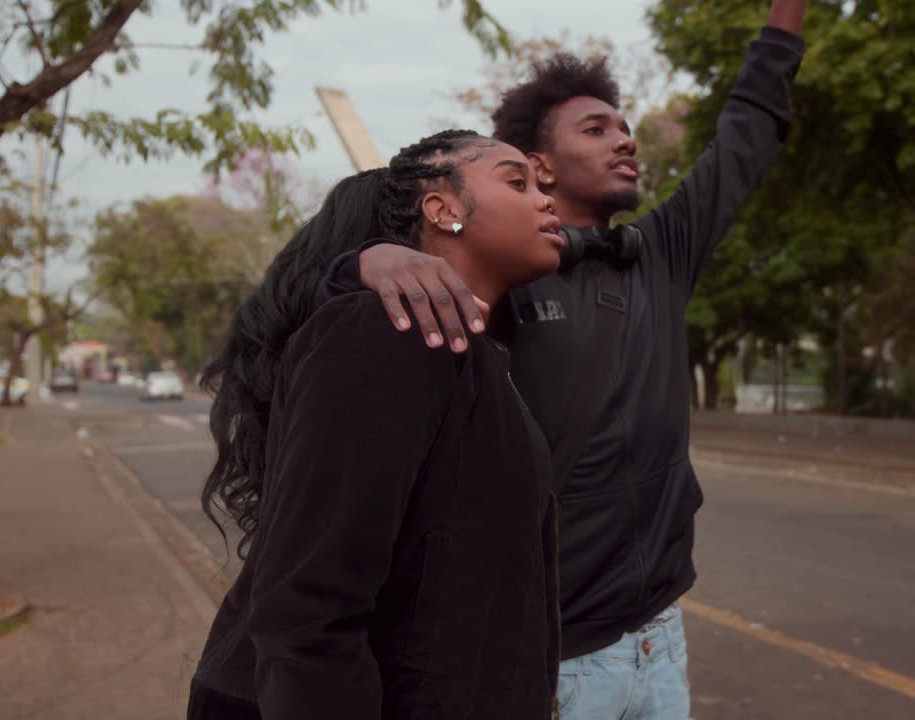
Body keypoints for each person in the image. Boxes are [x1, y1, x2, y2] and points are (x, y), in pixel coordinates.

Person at [340, 3, 808, 717]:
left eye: (625, 128)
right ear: (539, 167)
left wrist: (785, 18)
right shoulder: (501, 271)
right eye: (596, 130)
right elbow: (349, 312)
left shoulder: (660, 253)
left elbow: (747, 133)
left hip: (660, 637)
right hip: (551, 657)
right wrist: (366, 260)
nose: (624, 141)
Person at [190, 130, 566, 720]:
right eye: (517, 181)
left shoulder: (481, 354)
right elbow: (310, 612)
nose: (548, 200)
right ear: (441, 209)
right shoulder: (385, 330)